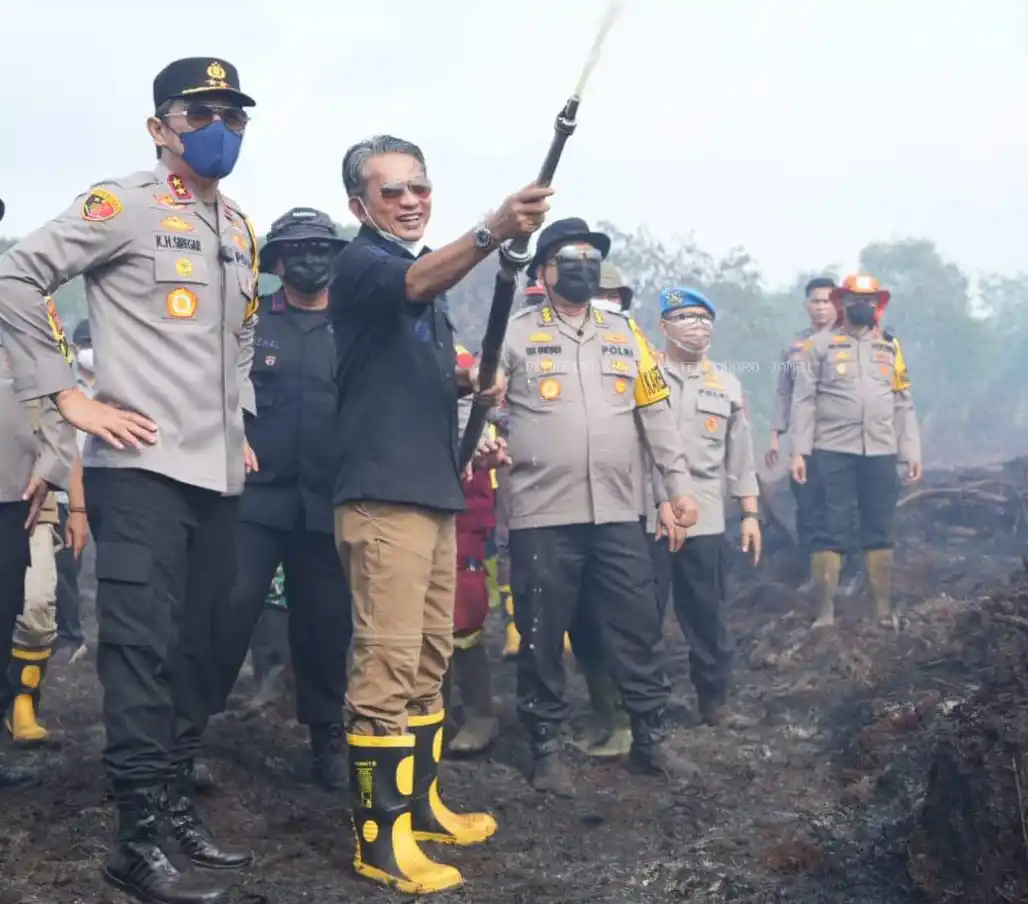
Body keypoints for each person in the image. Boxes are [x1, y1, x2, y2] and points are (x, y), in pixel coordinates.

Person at [0, 56, 259, 904]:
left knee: (203, 645)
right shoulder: (122, 206)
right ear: (160, 128)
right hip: (141, 467)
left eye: (233, 113)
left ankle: (179, 806)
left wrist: (242, 424)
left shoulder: (241, 229)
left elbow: (240, 340)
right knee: (142, 652)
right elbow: (16, 274)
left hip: (216, 477)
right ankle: (136, 839)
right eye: (199, 113)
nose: (218, 127)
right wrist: (66, 393)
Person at [330, 133, 550, 894]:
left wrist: (469, 392)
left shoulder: (414, 285)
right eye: (392, 191)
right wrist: (494, 230)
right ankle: (377, 839)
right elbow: (420, 282)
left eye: (420, 186)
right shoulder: (362, 264)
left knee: (428, 660)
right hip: (382, 500)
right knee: (386, 668)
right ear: (360, 204)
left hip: (433, 493)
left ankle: (419, 809)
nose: (412, 199)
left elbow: (398, 373)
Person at [500, 217, 700, 797]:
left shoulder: (625, 334)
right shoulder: (514, 334)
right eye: (570, 256)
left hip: (617, 511)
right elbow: (478, 400)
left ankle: (651, 740)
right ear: (544, 271)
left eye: (592, 256)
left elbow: (655, 416)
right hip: (543, 513)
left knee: (637, 625)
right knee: (541, 633)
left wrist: (676, 487)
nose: (584, 264)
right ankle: (545, 747)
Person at [211, 206, 353, 792]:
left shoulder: (353, 326)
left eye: (321, 247)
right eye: (297, 250)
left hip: (326, 501)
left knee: (325, 626)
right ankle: (189, 733)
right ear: (277, 261)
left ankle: (327, 742)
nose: (310, 258)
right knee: (228, 610)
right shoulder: (251, 322)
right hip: (256, 501)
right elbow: (213, 387)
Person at [649, 287, 761, 727]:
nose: (698, 325)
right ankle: (644, 704)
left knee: (707, 615)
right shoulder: (642, 375)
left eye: (704, 318)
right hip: (650, 517)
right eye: (686, 317)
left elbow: (741, 457)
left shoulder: (727, 385)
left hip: (707, 518)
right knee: (643, 617)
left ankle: (714, 701)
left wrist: (750, 514)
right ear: (664, 327)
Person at [790, 274, 923, 629]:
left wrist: (910, 450)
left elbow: (903, 403)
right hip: (831, 449)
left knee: (879, 528)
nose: (862, 305)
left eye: (869, 300)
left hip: (880, 450)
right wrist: (799, 452)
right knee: (830, 527)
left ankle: (881, 611)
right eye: (854, 299)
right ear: (841, 303)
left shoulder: (891, 349)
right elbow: (803, 402)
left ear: (878, 305)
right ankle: (825, 612)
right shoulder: (818, 347)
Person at [0, 337, 76, 786]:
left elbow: (61, 424)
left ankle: (22, 701)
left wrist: (57, 480)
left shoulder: (32, 337)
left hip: (27, 502)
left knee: (34, 609)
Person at [446, 351, 501, 756]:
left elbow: (486, 420)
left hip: (463, 505)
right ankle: (437, 711)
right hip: (413, 495)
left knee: (464, 612)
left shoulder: (466, 360)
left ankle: (480, 713)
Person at [52, 318, 96, 666]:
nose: (88, 351)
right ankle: (70, 635)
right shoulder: (67, 389)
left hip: (112, 484)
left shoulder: (119, 389)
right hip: (71, 491)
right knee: (66, 567)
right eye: (83, 344)